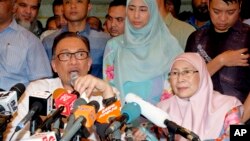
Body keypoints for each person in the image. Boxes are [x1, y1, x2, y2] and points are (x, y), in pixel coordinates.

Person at [4, 32, 117, 141]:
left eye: (80, 54)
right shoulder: (37, 90)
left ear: (89, 63)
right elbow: (13, 135)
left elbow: (121, 136)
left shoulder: (106, 92)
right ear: (54, 66)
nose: (73, 61)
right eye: (65, 55)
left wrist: (107, 93)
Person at [103, 0, 183, 105]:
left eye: (143, 10)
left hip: (161, 114)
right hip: (122, 114)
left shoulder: (169, 45)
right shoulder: (114, 46)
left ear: (153, 12)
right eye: (131, 9)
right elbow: (109, 85)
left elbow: (176, 82)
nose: (136, 15)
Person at [185, 0, 250, 122]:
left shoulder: (248, 36)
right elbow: (187, 82)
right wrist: (221, 60)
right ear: (208, 5)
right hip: (202, 119)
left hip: (242, 116)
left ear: (240, 6)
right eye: (216, 11)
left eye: (231, 12)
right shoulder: (196, 38)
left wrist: (238, 122)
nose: (223, 18)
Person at [157, 53, 242, 141]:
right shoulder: (162, 109)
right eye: (174, 73)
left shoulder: (229, 106)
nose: (180, 79)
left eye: (187, 72)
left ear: (202, 74)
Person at [43, 0, 110, 79]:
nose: (73, 6)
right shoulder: (48, 42)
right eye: (68, 2)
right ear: (63, 8)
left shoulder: (105, 41)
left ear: (89, 6)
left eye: (79, 1)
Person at [0, 0, 52, 90]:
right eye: (23, 5)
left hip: (12, 101)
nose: (28, 12)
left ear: (13, 6)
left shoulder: (30, 41)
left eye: (34, 8)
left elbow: (42, 87)